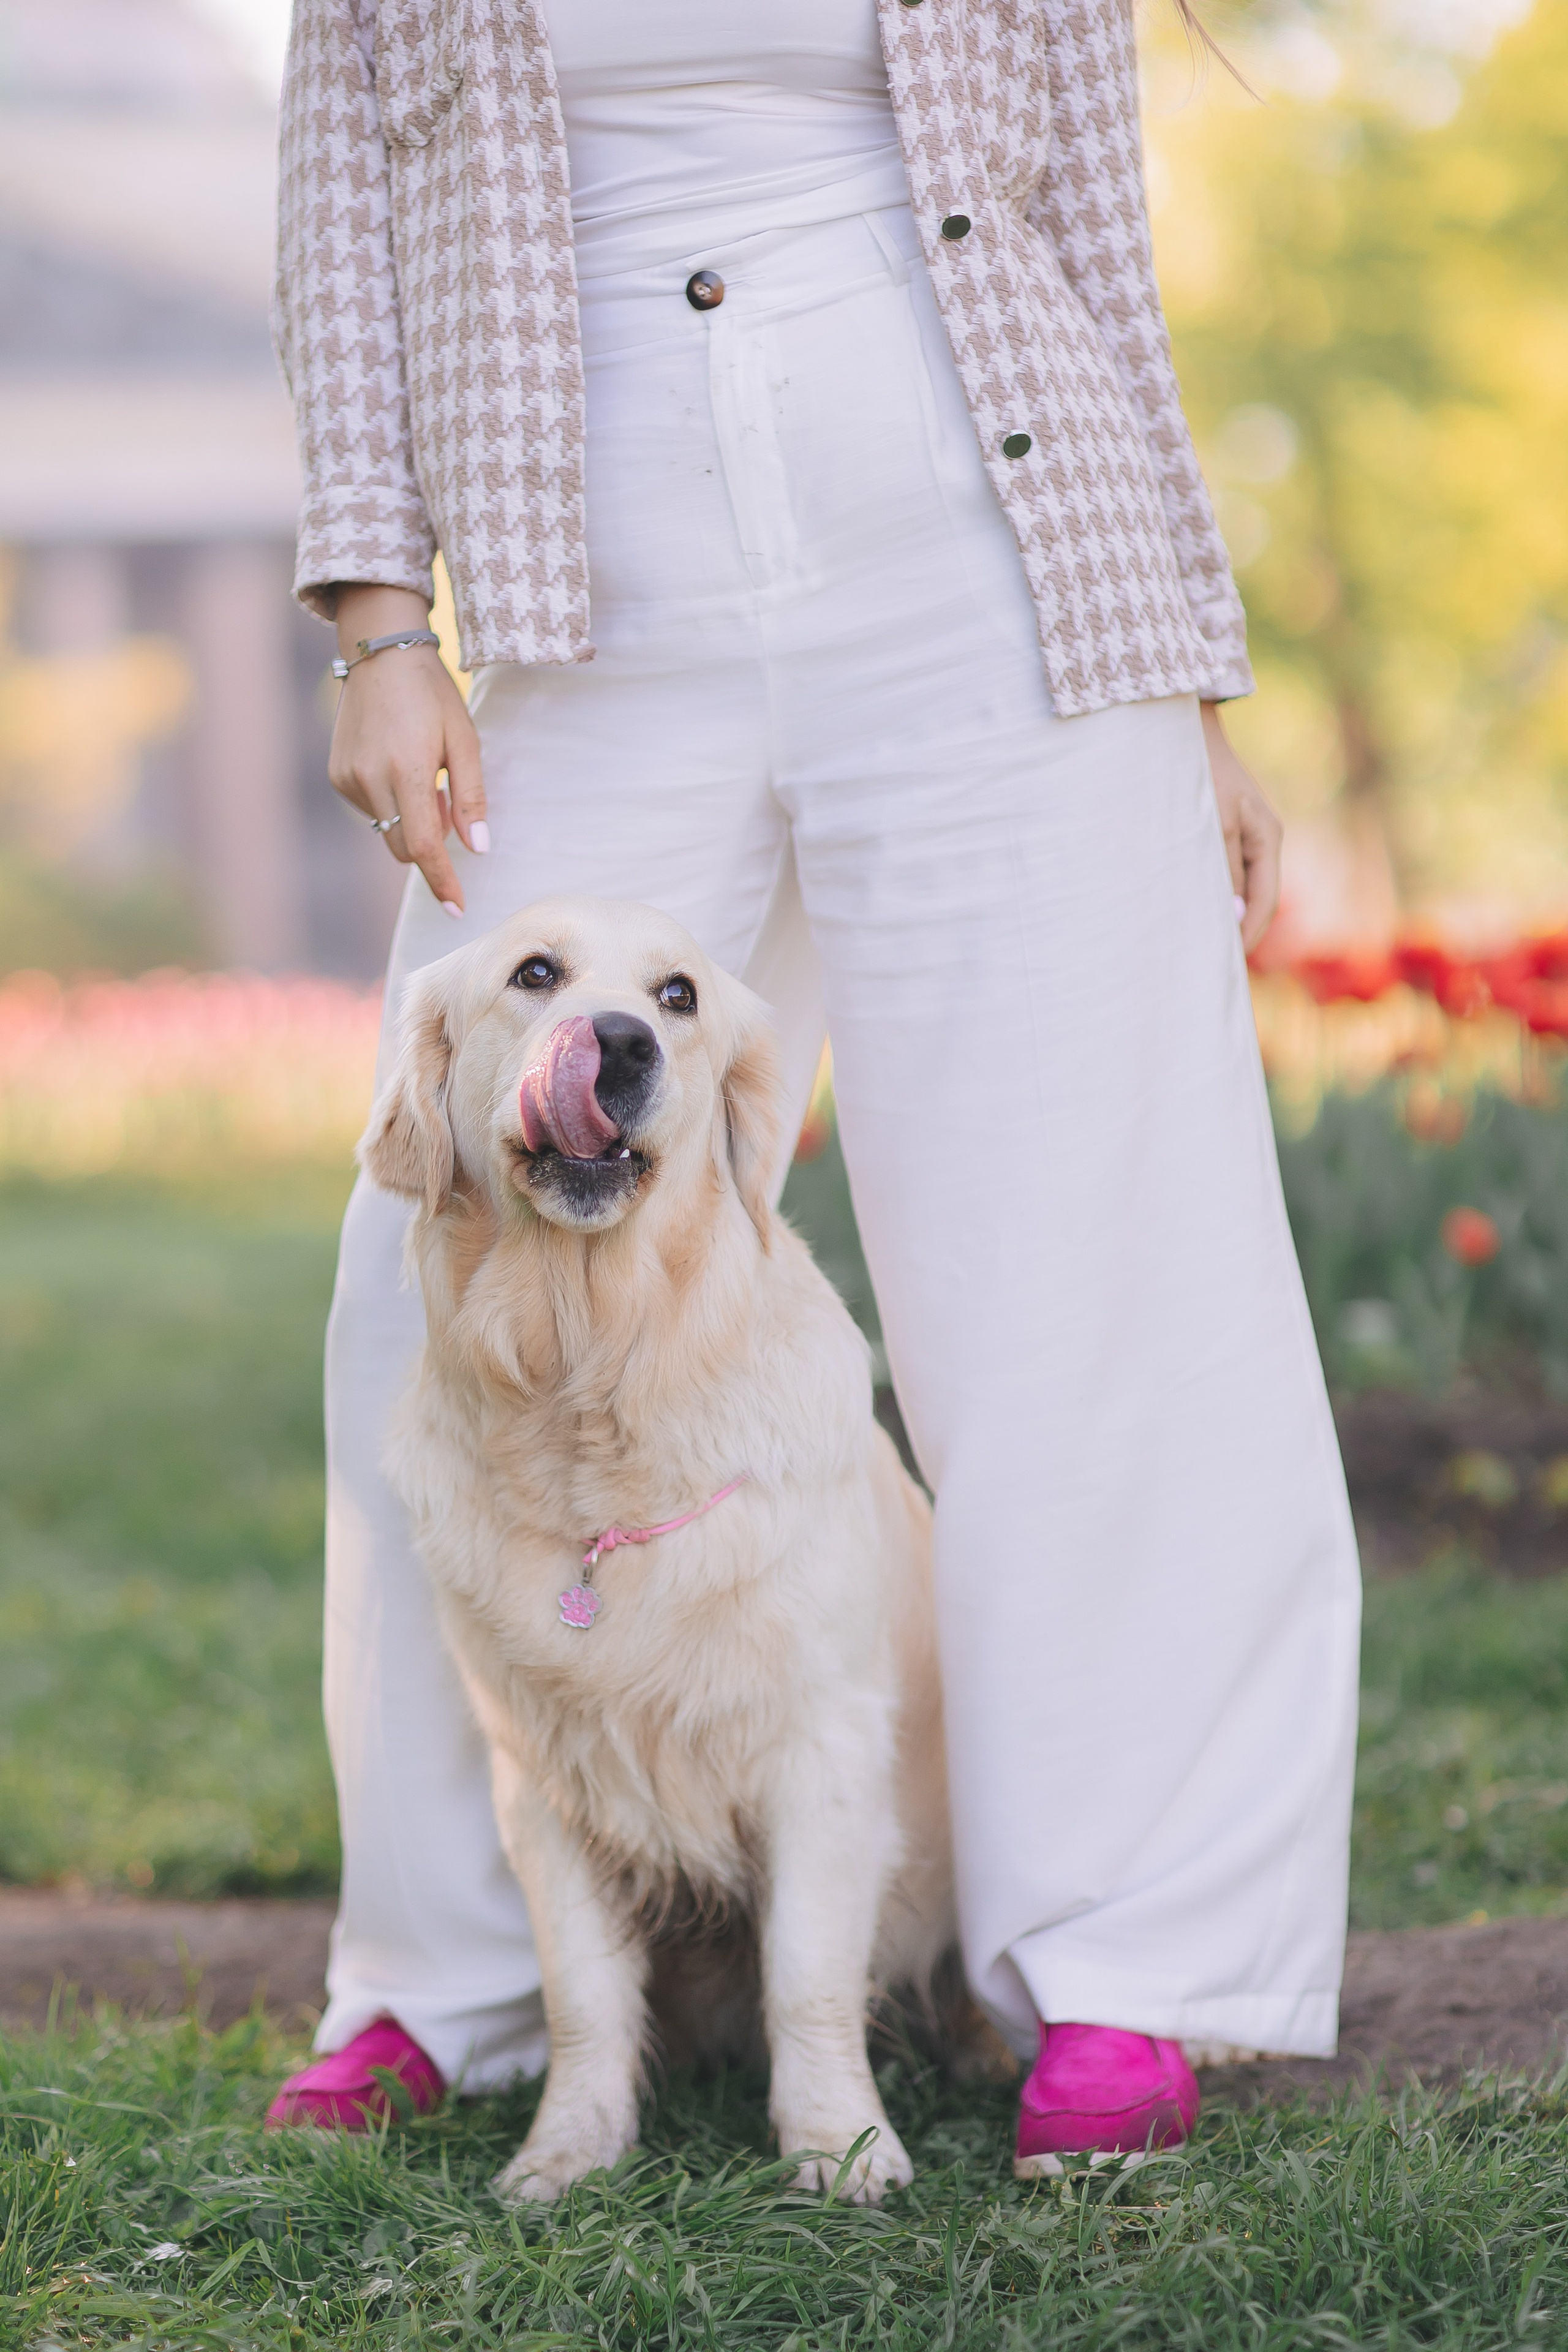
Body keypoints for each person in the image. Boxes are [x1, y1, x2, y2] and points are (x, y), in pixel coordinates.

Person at [266, 0, 1362, 2169]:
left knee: (1078, 1259)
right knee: (439, 1241)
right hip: (591, 584)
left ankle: (1121, 1966)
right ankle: (448, 1977)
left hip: (986, 561)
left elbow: (1084, 238)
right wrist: (385, 626)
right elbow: (341, 219)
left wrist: (1184, 675)